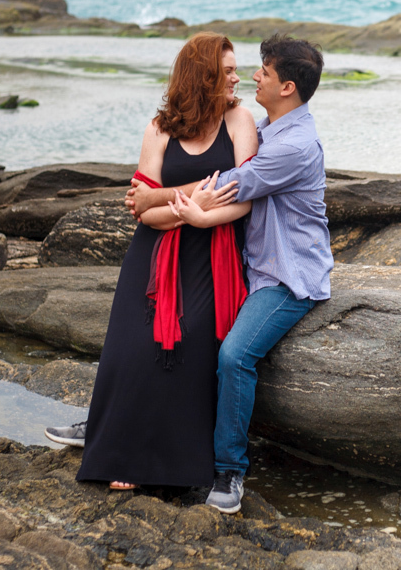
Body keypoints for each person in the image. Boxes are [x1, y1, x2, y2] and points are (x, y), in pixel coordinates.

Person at [44, 32, 258, 490]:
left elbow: (241, 196)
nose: (238, 78)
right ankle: (120, 448)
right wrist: (191, 206)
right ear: (202, 77)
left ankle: (166, 462)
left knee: (190, 348)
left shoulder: (241, 120)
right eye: (228, 71)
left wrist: (188, 210)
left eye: (237, 69)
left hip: (211, 254)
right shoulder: (160, 127)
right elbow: (142, 210)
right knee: (134, 350)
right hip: (157, 250)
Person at [130, 34, 333, 513]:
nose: (253, 77)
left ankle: (229, 470)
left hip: (287, 278)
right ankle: (119, 426)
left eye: (262, 70)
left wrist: (146, 197)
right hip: (253, 265)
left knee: (234, 355)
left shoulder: (293, 146)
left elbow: (223, 184)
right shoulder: (271, 127)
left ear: (286, 87)